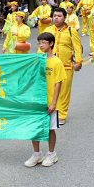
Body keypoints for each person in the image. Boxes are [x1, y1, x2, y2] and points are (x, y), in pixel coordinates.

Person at [24, 32, 66, 167]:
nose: (41, 45)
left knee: (50, 129)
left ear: (51, 44)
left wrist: (53, 102)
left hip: (49, 101)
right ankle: (37, 154)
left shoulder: (56, 62)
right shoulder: (37, 60)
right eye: (39, 42)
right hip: (36, 100)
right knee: (34, 127)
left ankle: (52, 153)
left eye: (43, 42)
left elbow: (58, 83)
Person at [45, 8, 82, 124]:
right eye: (54, 15)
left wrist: (78, 62)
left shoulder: (71, 31)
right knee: (50, 89)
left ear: (64, 18)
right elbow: (41, 46)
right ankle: (51, 110)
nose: (56, 18)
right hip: (50, 65)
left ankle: (62, 114)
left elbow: (77, 48)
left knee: (64, 91)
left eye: (59, 16)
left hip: (66, 66)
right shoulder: (48, 30)